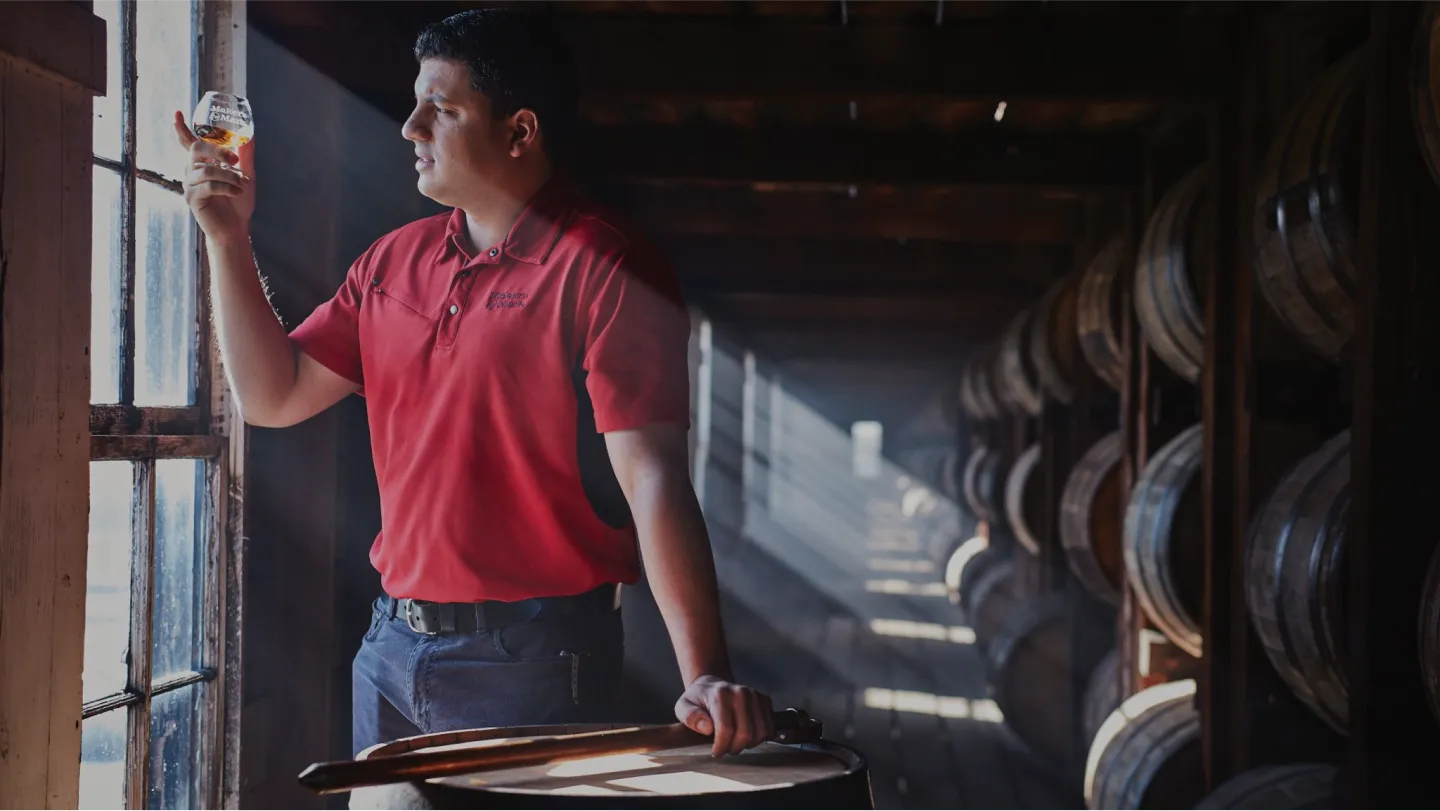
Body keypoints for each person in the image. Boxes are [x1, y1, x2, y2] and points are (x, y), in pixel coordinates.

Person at [174, 7, 775, 761]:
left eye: (443, 107)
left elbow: (652, 474)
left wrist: (705, 673)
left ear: (520, 132)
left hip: (533, 659)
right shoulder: (390, 263)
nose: (410, 126)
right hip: (390, 648)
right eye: (416, 101)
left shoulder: (606, 264)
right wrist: (227, 237)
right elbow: (274, 395)